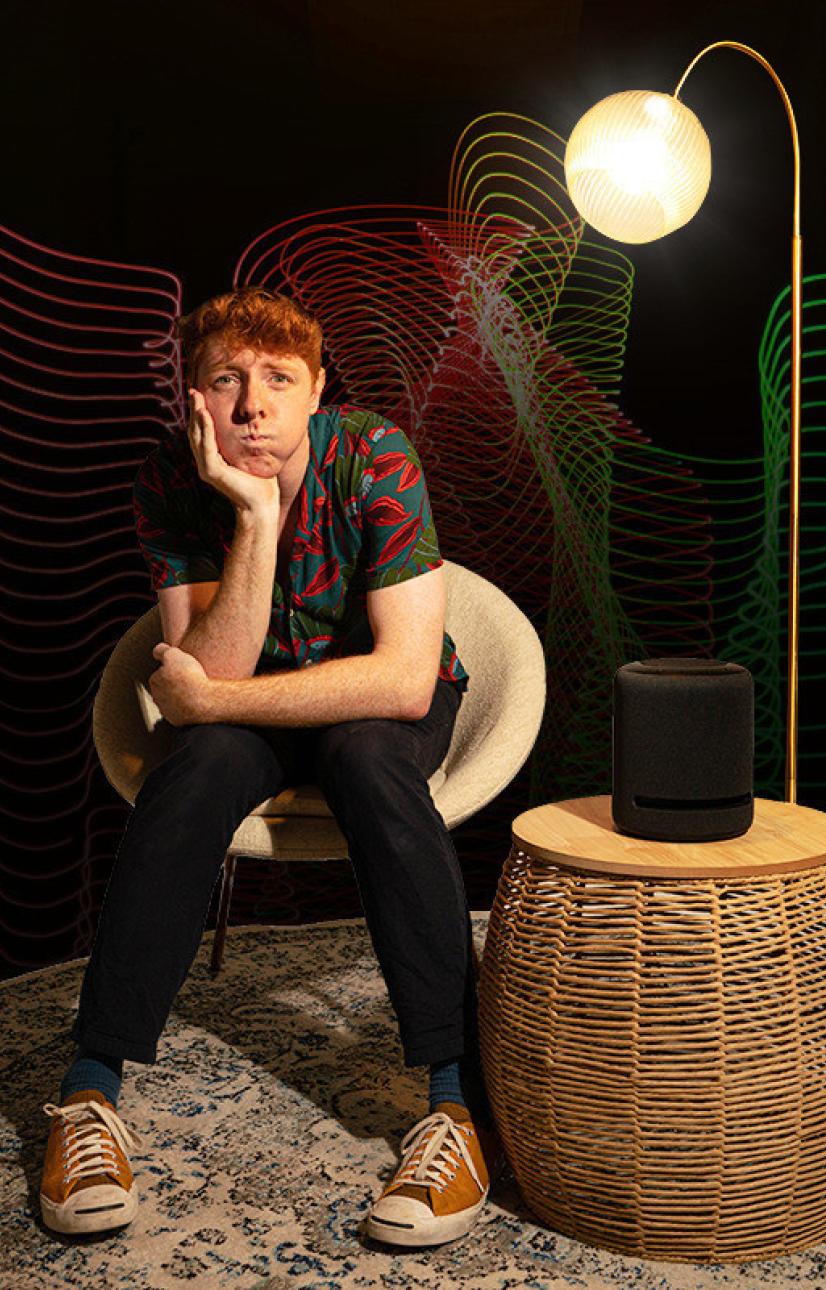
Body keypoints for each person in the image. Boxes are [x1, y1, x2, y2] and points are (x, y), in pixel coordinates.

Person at [39, 285, 500, 1247]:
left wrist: (210, 702)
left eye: (278, 379)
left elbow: (406, 680)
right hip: (260, 696)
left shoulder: (371, 451)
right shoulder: (174, 475)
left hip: (375, 704)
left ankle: (456, 1106)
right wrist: (252, 517)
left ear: (317, 389)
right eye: (226, 381)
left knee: (368, 754)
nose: (253, 405)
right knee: (197, 768)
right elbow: (215, 669)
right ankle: (90, 1094)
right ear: (193, 399)